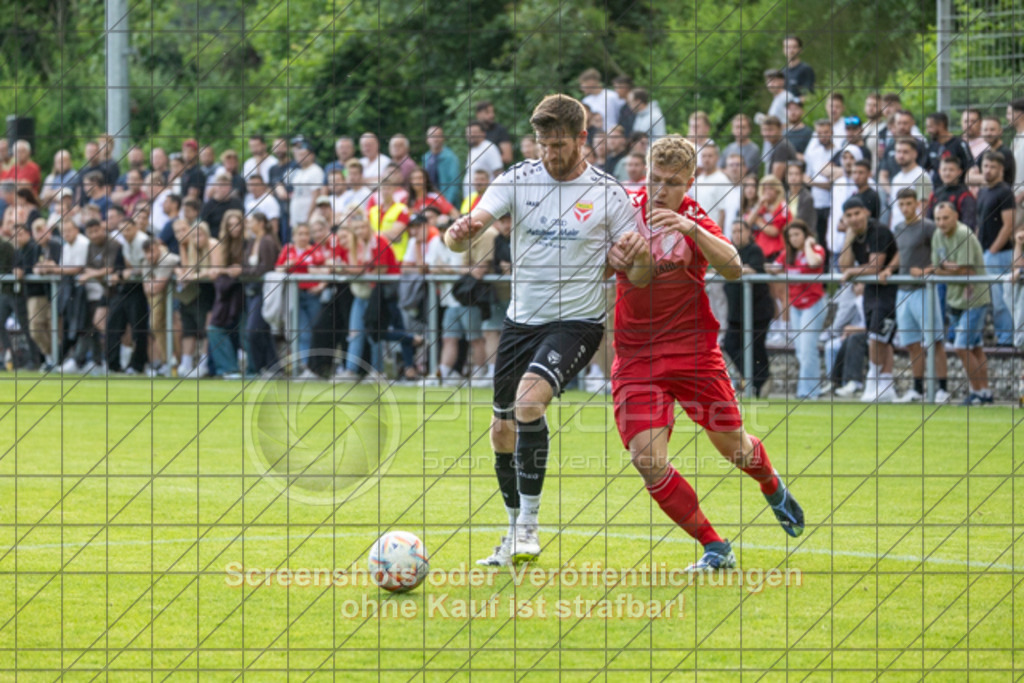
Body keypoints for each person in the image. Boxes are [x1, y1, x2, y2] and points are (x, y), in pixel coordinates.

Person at [444, 94, 646, 566]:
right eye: (543, 145)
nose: (550, 155)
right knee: (502, 431)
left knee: (529, 403)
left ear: (582, 138)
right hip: (521, 322)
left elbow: (641, 273)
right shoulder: (517, 179)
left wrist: (633, 259)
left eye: (559, 145)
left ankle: (530, 529)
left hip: (577, 322)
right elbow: (473, 225)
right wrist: (460, 233)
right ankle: (513, 530)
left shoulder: (608, 192)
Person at [611, 134, 804, 571]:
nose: (660, 190)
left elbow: (733, 268)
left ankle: (770, 484)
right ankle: (715, 546)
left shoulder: (694, 216)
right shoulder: (623, 210)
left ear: (690, 182)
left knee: (734, 448)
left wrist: (691, 229)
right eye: (655, 179)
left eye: (672, 183)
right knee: (647, 460)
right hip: (638, 356)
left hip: (693, 352)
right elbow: (609, 265)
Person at [885, 189, 950, 403]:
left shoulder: (928, 227)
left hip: (924, 290)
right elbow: (899, 254)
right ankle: (917, 388)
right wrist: (888, 269)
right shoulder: (898, 228)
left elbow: (942, 256)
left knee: (934, 341)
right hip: (902, 291)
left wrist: (925, 271)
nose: (905, 208)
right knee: (912, 343)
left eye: (909, 203)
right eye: (901, 204)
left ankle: (942, 389)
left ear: (917, 204)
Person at [927, 202, 992, 405]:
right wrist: (950, 268)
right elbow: (936, 267)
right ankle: (985, 393)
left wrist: (945, 267)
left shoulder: (964, 233)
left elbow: (966, 271)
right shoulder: (937, 235)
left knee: (961, 346)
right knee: (975, 348)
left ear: (956, 216)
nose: (941, 223)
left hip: (975, 298)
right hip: (955, 298)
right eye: (938, 219)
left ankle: (977, 392)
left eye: (945, 218)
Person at [838, 196, 899, 402]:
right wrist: (848, 239)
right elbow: (844, 266)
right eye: (849, 215)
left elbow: (875, 266)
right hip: (872, 289)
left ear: (866, 212)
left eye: (857, 213)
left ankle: (873, 381)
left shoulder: (878, 231)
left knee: (877, 337)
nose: (854, 218)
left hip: (890, 288)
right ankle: (886, 385)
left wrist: (851, 273)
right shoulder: (854, 234)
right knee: (881, 338)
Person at [768, 220, 826, 398]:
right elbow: (772, 267)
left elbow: (814, 263)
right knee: (801, 350)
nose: (793, 238)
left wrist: (808, 245)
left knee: (808, 349)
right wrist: (774, 269)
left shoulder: (816, 249)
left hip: (813, 303)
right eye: (790, 236)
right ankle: (811, 390)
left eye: (797, 234)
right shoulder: (787, 254)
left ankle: (807, 392)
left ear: (805, 235)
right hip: (796, 305)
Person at [722, 219, 773, 397]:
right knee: (731, 344)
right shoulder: (729, 250)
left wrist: (731, 269)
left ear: (749, 233)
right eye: (734, 231)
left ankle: (759, 381)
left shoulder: (754, 250)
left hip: (757, 311)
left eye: (740, 231)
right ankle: (757, 378)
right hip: (736, 312)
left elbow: (753, 270)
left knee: (756, 347)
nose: (736, 234)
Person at [924, 156, 976, 229]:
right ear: (939, 171)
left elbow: (969, 225)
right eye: (944, 170)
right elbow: (929, 221)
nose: (947, 173)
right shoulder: (935, 194)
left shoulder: (965, 195)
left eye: (951, 170)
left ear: (959, 172)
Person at [423, 126, 462, 209]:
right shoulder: (426, 157)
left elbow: (454, 183)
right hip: (430, 202)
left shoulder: (450, 158)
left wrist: (446, 205)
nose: (435, 139)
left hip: (447, 203)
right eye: (432, 136)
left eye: (438, 136)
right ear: (427, 139)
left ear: (443, 138)